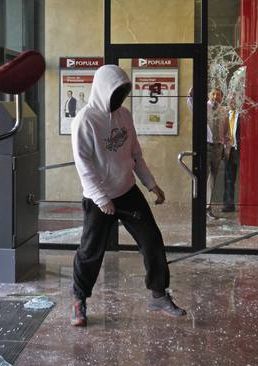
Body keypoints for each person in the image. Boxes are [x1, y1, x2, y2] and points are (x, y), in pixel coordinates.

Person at [70, 65, 186, 327]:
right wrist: (102, 199)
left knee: (152, 241)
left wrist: (151, 184)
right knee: (90, 252)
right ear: (102, 90)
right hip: (98, 198)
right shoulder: (85, 120)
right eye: (115, 92)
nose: (119, 97)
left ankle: (159, 294)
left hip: (127, 191)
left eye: (123, 92)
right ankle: (79, 300)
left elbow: (135, 154)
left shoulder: (124, 115)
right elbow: (83, 165)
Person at [187, 87, 230, 218]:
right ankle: (198, 209)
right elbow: (191, 103)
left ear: (222, 97)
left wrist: (226, 148)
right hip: (205, 147)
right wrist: (190, 92)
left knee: (213, 178)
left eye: (218, 95)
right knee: (202, 177)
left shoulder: (223, 111)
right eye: (213, 94)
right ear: (209, 95)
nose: (216, 97)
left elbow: (227, 131)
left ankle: (208, 208)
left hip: (218, 148)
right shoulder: (203, 107)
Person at [221, 93, 240, 212]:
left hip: (240, 148)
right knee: (229, 178)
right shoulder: (224, 113)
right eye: (229, 99)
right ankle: (228, 204)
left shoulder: (242, 114)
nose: (231, 101)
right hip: (229, 149)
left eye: (233, 99)